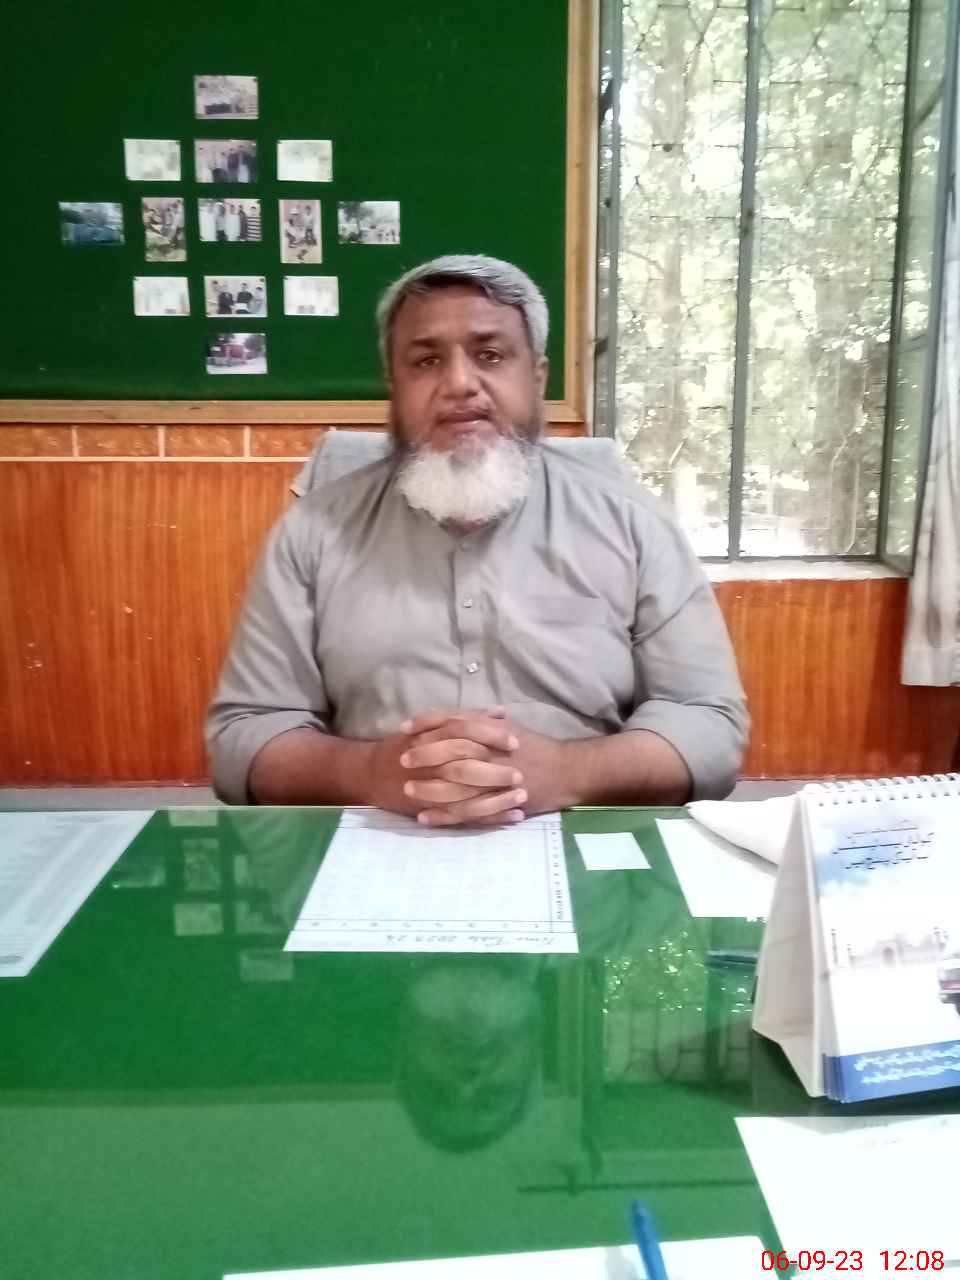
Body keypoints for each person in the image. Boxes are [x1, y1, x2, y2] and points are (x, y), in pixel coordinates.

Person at [206, 254, 748, 823]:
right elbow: (244, 735)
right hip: (377, 832)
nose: (460, 384)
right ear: (394, 387)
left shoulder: (634, 524)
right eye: (426, 361)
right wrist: (371, 773)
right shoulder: (311, 532)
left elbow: (710, 725)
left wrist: (567, 772)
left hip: (582, 832)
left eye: (490, 355)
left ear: (536, 379)